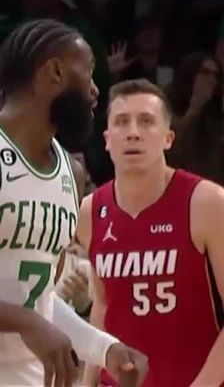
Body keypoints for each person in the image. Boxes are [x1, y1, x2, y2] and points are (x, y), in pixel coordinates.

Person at [80, 78, 224, 386]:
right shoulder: (90, 210)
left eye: (146, 121)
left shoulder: (207, 201)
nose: (133, 132)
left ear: (168, 138)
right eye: (122, 122)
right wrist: (87, 381)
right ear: (107, 139)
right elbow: (104, 305)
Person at [0, 19, 146, 387]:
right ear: (55, 72)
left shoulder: (72, 173)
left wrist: (104, 348)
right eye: (89, 72)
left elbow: (40, 300)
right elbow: (30, 316)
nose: (96, 90)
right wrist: (23, 321)